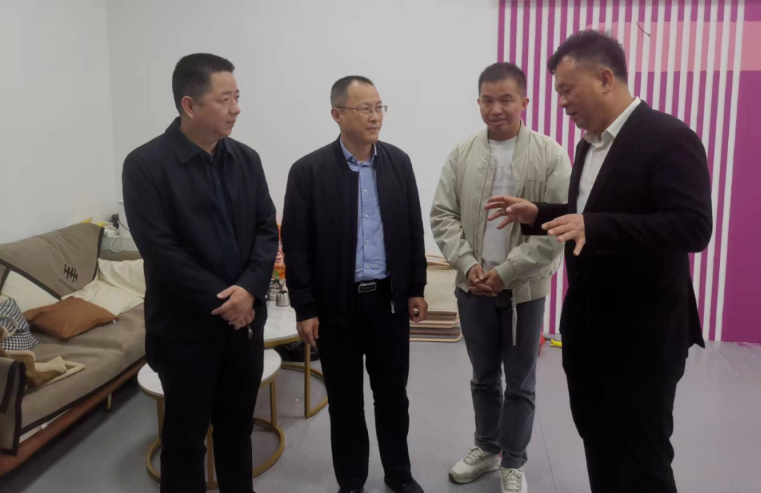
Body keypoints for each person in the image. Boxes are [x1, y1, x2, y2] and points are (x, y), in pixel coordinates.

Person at [486, 31, 713, 493]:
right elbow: (588, 215)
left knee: (643, 460)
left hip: (643, 337)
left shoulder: (669, 137)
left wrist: (598, 226)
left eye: (567, 90)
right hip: (590, 332)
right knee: (600, 447)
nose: (561, 102)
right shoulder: (589, 143)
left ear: (606, 79)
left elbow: (693, 227)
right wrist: (538, 214)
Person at [123, 53, 279, 493]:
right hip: (185, 333)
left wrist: (248, 291)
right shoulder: (145, 165)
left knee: (237, 433)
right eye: (224, 99)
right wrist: (227, 302)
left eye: (237, 97)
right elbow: (160, 251)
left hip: (244, 328)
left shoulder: (246, 159)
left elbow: (266, 230)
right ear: (189, 105)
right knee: (184, 442)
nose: (236, 108)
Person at [281, 76, 428, 493]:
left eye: (379, 107)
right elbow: (296, 245)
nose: (375, 116)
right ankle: (351, 481)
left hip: (387, 303)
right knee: (345, 402)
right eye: (364, 108)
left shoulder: (398, 163)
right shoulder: (308, 171)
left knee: (393, 397)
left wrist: (415, 287)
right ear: (337, 114)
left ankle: (399, 474)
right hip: (335, 308)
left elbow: (412, 229)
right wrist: (305, 307)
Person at [430, 62, 571, 493]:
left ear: (524, 101)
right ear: (478, 102)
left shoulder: (550, 154)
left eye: (506, 99)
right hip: (472, 287)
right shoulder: (463, 153)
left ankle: (514, 460)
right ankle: (487, 447)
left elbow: (556, 227)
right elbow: (442, 214)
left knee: (521, 382)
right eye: (488, 100)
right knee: (483, 377)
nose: (496, 109)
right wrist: (468, 264)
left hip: (523, 292)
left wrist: (505, 272)